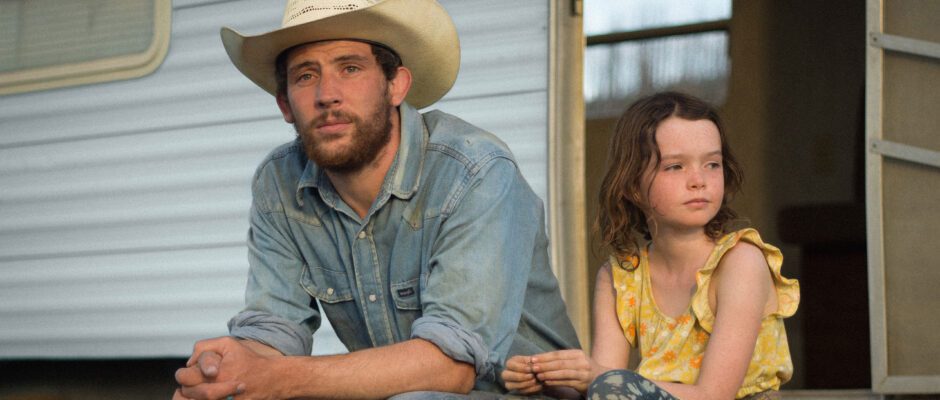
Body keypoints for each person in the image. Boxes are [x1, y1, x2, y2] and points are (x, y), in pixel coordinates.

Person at [172, 0, 580, 399]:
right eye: (305, 76)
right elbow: (273, 334)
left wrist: (276, 379)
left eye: (350, 68)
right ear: (285, 105)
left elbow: (451, 366)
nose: (327, 95)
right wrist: (226, 374)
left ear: (396, 85)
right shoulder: (278, 183)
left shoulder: (475, 169)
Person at [502, 92, 800, 400]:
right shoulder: (620, 278)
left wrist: (597, 377)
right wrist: (551, 377)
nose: (699, 180)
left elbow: (715, 395)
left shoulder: (741, 262)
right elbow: (603, 388)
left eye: (712, 164)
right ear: (632, 186)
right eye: (675, 167)